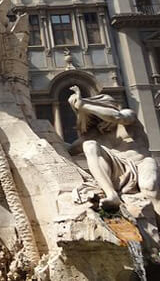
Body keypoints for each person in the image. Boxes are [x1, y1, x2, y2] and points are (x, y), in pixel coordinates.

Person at [68, 85, 160, 213]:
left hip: (141, 164)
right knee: (89, 145)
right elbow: (67, 150)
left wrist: (83, 105)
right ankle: (111, 194)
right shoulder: (93, 135)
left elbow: (117, 117)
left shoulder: (128, 116)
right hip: (116, 171)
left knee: (149, 187)